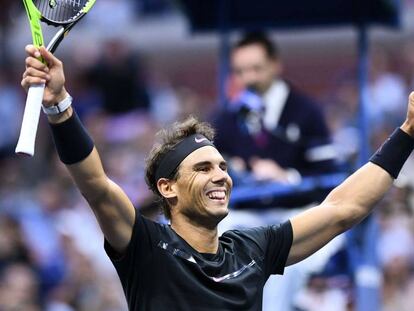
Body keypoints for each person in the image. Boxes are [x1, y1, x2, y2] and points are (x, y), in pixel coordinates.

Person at [21, 44, 414, 311]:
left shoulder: (253, 249)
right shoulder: (145, 246)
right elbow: (95, 185)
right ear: (167, 188)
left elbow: (344, 208)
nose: (221, 177)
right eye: (204, 168)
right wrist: (59, 106)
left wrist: (408, 132)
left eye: (224, 167)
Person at [214, 32, 337, 184]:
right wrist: (230, 167)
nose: (248, 78)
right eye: (239, 72)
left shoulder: (307, 111)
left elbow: (328, 173)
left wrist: (287, 177)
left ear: (275, 64)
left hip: (299, 206)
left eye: (256, 69)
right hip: (243, 207)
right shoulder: (229, 116)